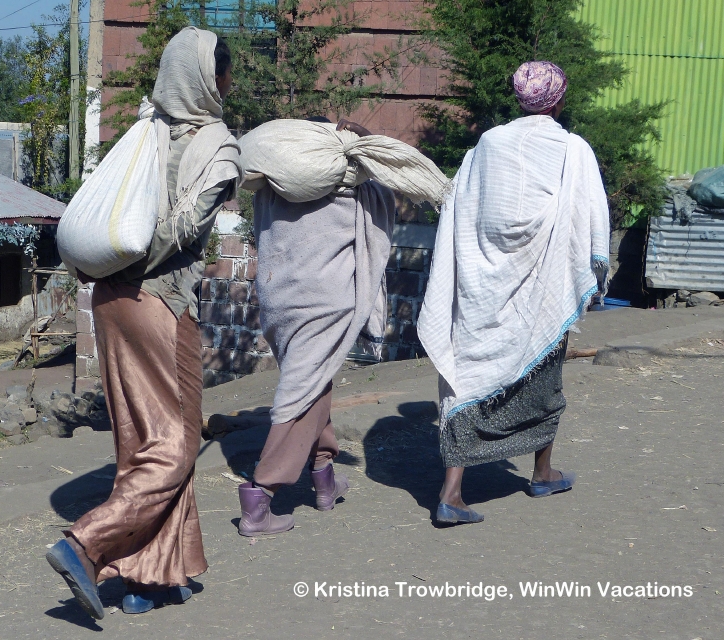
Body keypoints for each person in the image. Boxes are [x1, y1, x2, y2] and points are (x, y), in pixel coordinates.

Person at [45, 27, 240, 618]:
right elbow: (179, 233)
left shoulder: (146, 129)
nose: (230, 84)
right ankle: (86, 544)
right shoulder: (217, 147)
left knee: (140, 442)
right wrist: (139, 261)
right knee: (177, 443)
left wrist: (112, 263)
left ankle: (147, 578)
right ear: (209, 78)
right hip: (160, 305)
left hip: (108, 300)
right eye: (226, 72)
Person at [418, 61, 610, 525]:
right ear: (558, 101)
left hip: (482, 286)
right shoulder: (572, 149)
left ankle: (452, 491)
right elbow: (590, 215)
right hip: (544, 281)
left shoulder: (487, 144)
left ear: (519, 99)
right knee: (545, 371)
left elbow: (462, 206)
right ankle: (542, 472)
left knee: (467, 375)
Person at [236, 118, 397, 536]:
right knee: (302, 391)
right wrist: (365, 139)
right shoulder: (349, 184)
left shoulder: (272, 180)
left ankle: (324, 476)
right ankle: (260, 496)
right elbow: (387, 182)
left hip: (278, 296)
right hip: (326, 298)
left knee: (312, 378)